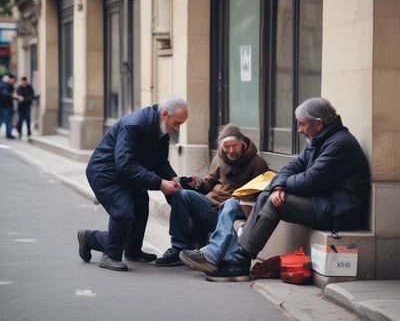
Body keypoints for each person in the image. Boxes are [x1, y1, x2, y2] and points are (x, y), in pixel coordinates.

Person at [179, 97, 371, 282]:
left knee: (274, 202)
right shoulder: (320, 141)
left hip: (340, 211)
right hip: (324, 202)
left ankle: (240, 260)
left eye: (302, 124)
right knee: (265, 196)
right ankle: (238, 257)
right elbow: (292, 167)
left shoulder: (339, 144)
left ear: (318, 124)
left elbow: (310, 181)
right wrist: (278, 185)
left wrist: (281, 186)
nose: (299, 129)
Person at [77, 96, 189, 271]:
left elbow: (160, 162)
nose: (176, 129)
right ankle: (104, 250)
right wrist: (160, 183)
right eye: (176, 123)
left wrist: (172, 177)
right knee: (123, 210)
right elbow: (124, 163)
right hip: (105, 172)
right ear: (165, 114)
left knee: (141, 205)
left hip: (126, 173)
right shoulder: (135, 124)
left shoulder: (162, 132)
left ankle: (133, 250)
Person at [155, 123, 268, 266]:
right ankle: (178, 248)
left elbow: (260, 194)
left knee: (230, 204)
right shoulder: (220, 157)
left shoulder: (257, 163)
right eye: (227, 147)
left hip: (233, 209)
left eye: (234, 146)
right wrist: (196, 183)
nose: (231, 150)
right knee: (181, 194)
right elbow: (209, 183)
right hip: (212, 205)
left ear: (242, 143)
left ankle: (211, 254)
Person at [0, 74, 19, 139]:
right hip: (5, 106)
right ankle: (9, 133)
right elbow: (6, 94)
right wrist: (15, 97)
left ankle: (9, 133)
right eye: (13, 80)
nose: (14, 82)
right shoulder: (4, 85)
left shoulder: (8, 86)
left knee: (4, 119)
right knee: (7, 119)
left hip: (5, 105)